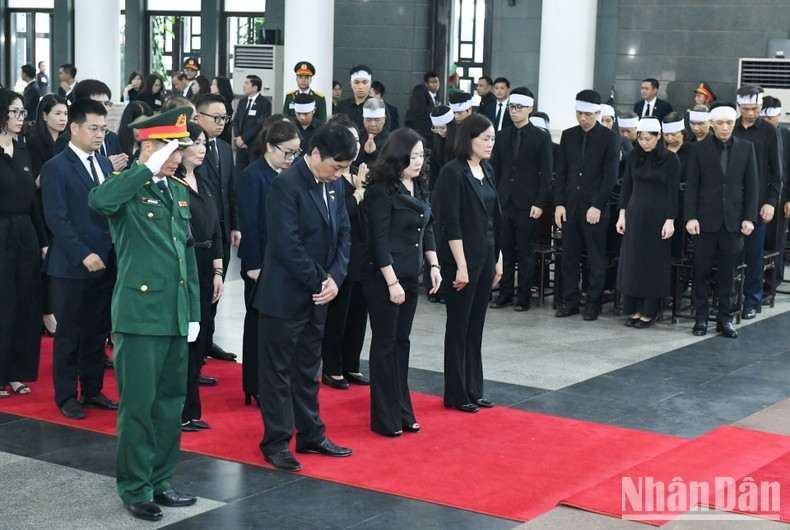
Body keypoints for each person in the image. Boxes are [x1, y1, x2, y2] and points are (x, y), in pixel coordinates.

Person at [88, 106, 201, 521]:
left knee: (170, 405)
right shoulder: (126, 186)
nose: (180, 156)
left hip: (172, 315)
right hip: (139, 314)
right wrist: (144, 168)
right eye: (173, 148)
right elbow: (99, 201)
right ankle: (135, 488)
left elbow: (184, 254)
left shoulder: (177, 190)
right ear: (149, 146)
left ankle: (161, 480)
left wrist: (192, 312)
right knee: (138, 406)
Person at [254, 121, 355, 472]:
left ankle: (311, 433)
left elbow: (344, 233)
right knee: (277, 371)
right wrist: (321, 280)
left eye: (345, 169)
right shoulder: (287, 185)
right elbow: (286, 244)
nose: (340, 175)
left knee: (309, 369)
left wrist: (336, 279)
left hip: (320, 295)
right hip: (284, 295)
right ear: (315, 154)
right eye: (336, 167)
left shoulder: (336, 186)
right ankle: (276, 441)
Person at [41, 99, 118, 419]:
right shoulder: (56, 167)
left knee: (97, 330)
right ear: (74, 128)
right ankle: (65, 395)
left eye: (103, 128)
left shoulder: (104, 164)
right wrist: (83, 254)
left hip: (106, 261)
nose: (100, 134)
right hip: (72, 265)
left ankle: (92, 389)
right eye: (93, 128)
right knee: (70, 332)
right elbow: (57, 219)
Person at [361, 128, 441, 436]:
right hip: (384, 276)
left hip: (410, 274)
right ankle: (385, 417)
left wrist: (433, 264)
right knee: (385, 343)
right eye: (414, 156)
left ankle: (402, 409)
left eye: (422, 155)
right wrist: (392, 282)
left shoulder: (418, 184)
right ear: (399, 156)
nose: (419, 161)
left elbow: (427, 225)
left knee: (402, 342)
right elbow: (378, 241)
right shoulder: (381, 191)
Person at [432, 113, 502, 413]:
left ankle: (475, 389)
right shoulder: (453, 172)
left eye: (493, 139)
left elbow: (493, 217)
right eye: (485, 139)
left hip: (486, 255)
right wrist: (460, 265)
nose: (490, 144)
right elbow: (451, 221)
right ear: (468, 139)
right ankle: (457, 392)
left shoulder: (486, 169)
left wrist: (499, 258)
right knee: (459, 326)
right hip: (461, 259)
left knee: (476, 326)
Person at [236, 119, 302, 404]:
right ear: (269, 147)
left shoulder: (289, 174)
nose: (291, 158)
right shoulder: (253, 176)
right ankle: (255, 384)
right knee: (258, 326)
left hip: (284, 265)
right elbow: (249, 224)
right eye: (287, 152)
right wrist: (252, 264)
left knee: (280, 329)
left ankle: (276, 380)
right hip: (260, 263)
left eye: (296, 153)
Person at [684, 102, 758, 339]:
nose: (725, 128)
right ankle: (701, 318)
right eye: (720, 123)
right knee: (701, 272)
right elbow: (691, 186)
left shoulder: (747, 148)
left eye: (729, 123)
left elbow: (752, 186)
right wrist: (691, 217)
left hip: (733, 221)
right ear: (711, 124)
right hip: (704, 221)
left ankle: (725, 319)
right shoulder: (698, 149)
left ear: (734, 123)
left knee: (729, 273)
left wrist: (749, 218)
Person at [554, 90, 619, 321]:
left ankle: (594, 303)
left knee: (595, 257)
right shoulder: (569, 135)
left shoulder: (610, 138)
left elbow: (610, 176)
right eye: (579, 113)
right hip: (570, 207)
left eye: (588, 114)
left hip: (595, 209)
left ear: (598, 113)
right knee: (569, 256)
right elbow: (561, 172)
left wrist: (597, 205)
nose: (583, 118)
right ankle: (570, 301)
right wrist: (559, 203)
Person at [175, 122, 224, 432]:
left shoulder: (205, 182)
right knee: (184, 338)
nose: (202, 148)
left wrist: (219, 269)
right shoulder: (172, 183)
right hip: (184, 263)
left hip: (207, 263)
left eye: (204, 142)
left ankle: (192, 409)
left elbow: (217, 227)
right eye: (195, 142)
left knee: (200, 337)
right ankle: (178, 410)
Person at [0, 88, 47, 398]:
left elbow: (33, 201)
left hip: (25, 232)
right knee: (4, 303)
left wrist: (42, 239)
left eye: (22, 113)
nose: (21, 118)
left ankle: (17, 372)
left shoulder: (24, 150)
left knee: (26, 304)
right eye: (15, 112)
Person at [489, 87, 553, 312]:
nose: (514, 112)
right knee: (504, 250)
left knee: (525, 252)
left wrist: (539, 202)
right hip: (504, 200)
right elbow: (495, 169)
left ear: (530, 109)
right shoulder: (503, 135)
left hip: (528, 204)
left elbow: (546, 175)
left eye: (518, 108)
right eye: (511, 107)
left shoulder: (540, 138)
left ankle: (523, 296)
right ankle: (505, 293)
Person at [615, 117, 681, 328]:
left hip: (658, 216)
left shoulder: (671, 159)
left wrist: (670, 220)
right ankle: (633, 308)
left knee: (652, 263)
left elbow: (673, 193)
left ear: (658, 137)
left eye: (648, 139)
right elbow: (627, 186)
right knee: (633, 261)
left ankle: (649, 311)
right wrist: (622, 214)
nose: (644, 143)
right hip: (635, 213)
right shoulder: (634, 155)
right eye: (641, 138)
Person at [321, 116, 369, 390]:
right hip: (340, 255)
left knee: (359, 314)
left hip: (362, 253)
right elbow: (338, 216)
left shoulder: (362, 171)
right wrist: (359, 194)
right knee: (338, 315)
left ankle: (352, 363)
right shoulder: (332, 176)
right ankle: (332, 366)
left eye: (357, 140)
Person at [195, 94, 240, 362]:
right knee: (201, 291)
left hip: (222, 231)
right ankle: (197, 348)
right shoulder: (190, 147)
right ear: (198, 117)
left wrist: (235, 225)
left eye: (224, 117)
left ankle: (209, 341)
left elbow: (230, 190)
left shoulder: (223, 148)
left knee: (216, 290)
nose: (221, 122)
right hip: (201, 234)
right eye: (216, 117)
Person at [733, 85, 782, 320]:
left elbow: (777, 172)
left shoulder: (770, 132)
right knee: (729, 254)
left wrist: (771, 202)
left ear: (761, 106)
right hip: (731, 202)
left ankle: (751, 300)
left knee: (753, 254)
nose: (750, 113)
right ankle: (729, 298)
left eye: (754, 108)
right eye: (745, 109)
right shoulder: (730, 127)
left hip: (758, 202)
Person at [27, 94, 68, 338]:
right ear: (44, 115)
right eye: (57, 114)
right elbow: (31, 184)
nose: (62, 119)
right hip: (40, 209)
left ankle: (54, 310)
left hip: (62, 207)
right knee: (44, 262)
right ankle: (46, 313)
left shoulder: (67, 142)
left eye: (65, 114)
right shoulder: (33, 143)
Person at [54, 80, 128, 173]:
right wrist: (106, 166)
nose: (103, 109)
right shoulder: (66, 140)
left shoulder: (111, 137)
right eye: (97, 103)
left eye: (106, 104)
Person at [232, 75, 271, 172]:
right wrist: (238, 139)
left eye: (247, 83)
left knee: (253, 171)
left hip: (254, 144)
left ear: (255, 87)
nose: (243, 86)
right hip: (240, 145)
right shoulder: (242, 101)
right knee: (239, 172)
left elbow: (260, 124)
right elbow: (236, 121)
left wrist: (244, 139)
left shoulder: (264, 103)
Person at [336, 65, 390, 133]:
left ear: (370, 84)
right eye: (356, 82)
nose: (360, 87)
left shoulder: (379, 105)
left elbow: (385, 131)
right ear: (351, 84)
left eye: (365, 82)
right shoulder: (341, 105)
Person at [354, 98, 389, 169]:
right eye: (368, 119)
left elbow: (391, 165)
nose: (372, 124)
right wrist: (364, 152)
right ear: (363, 118)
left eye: (377, 120)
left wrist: (374, 152)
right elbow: (349, 162)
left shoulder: (391, 140)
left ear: (384, 119)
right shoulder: (356, 137)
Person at [117, 101, 154, 166]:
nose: (142, 131)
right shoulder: (115, 145)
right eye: (137, 127)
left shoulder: (152, 148)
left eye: (146, 127)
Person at [211, 76, 235, 144]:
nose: (211, 86)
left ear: (220, 87)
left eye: (214, 84)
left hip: (222, 136)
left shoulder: (225, 104)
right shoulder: (213, 101)